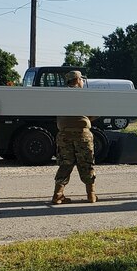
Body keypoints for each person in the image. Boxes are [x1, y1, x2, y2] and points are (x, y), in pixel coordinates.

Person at [51, 70, 97, 204]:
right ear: (77, 80)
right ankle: (91, 195)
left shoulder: (59, 96)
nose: (82, 82)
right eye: (81, 79)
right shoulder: (84, 95)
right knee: (87, 164)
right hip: (82, 134)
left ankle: (58, 195)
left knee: (65, 164)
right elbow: (94, 113)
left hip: (64, 134)